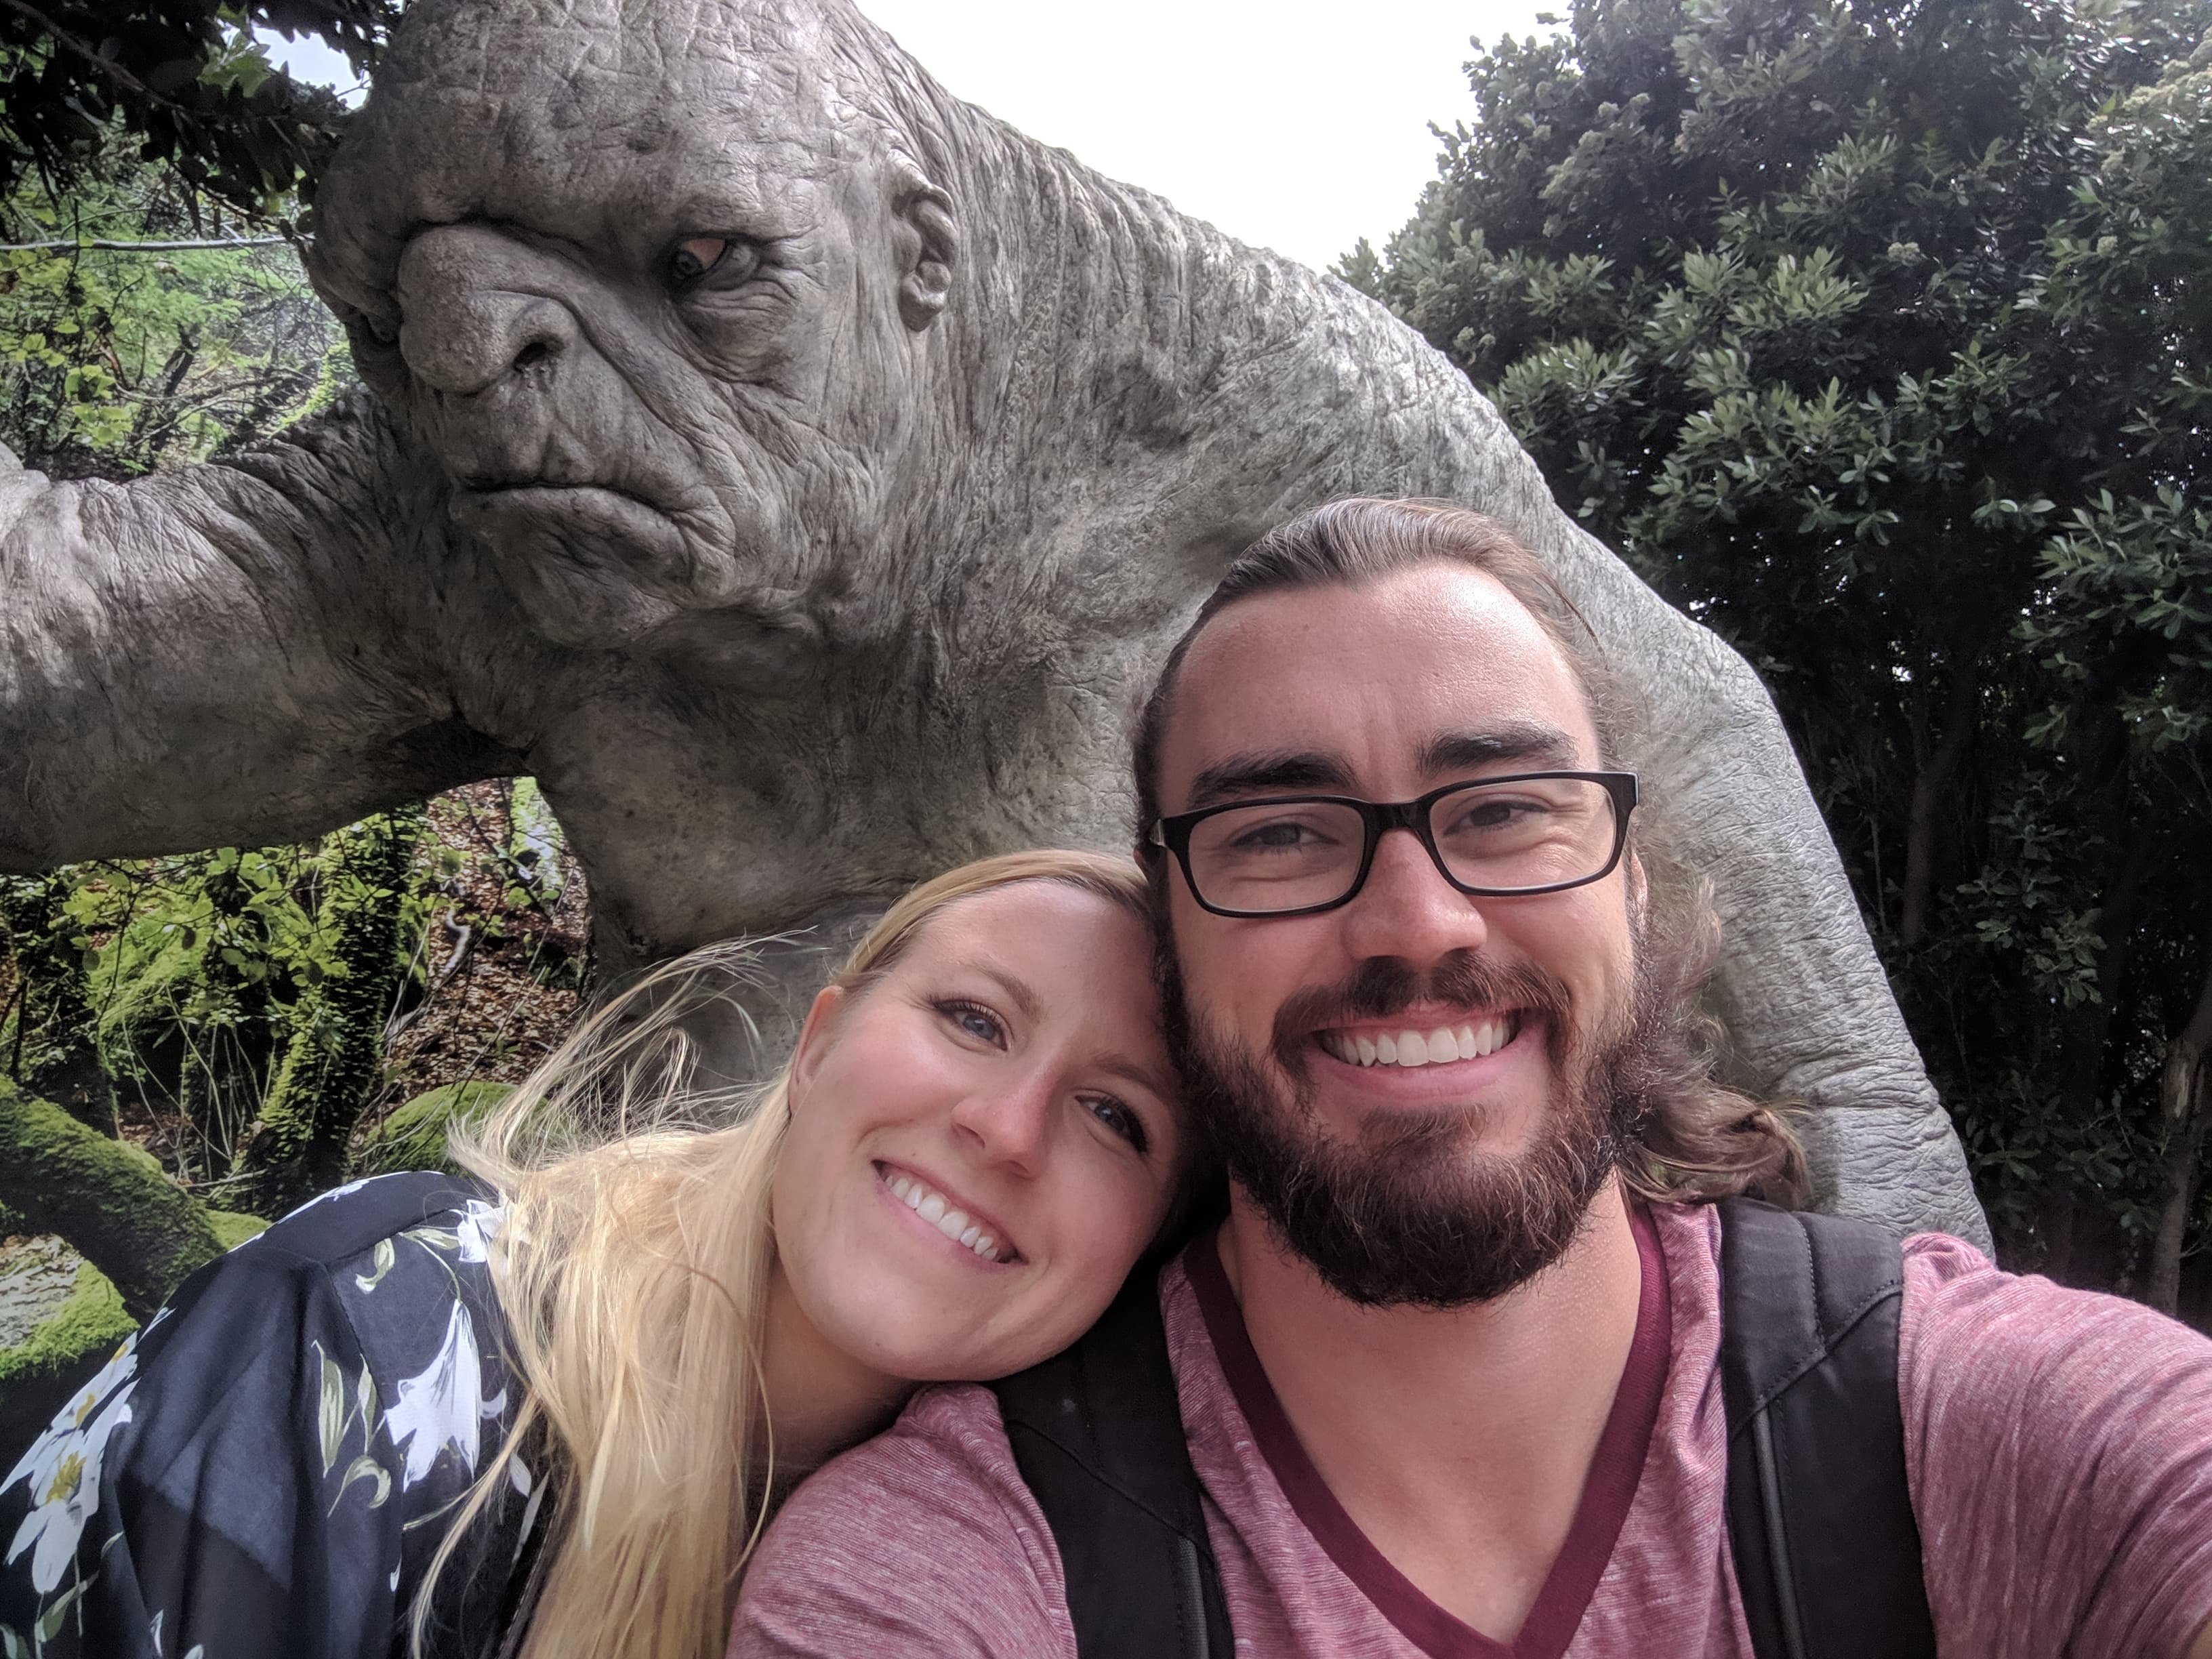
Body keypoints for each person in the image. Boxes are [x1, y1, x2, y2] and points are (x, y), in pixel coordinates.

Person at [731, 498, 2212, 1658]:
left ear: (1630, 881)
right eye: (1282, 835)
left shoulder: (1983, 1427)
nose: (1417, 923)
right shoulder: (960, 1561)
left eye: (1505, 810)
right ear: (1169, 947)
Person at [0, 848, 1196, 1659]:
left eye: (1116, 1117)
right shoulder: (372, 1344)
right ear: (819, 1045)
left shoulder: (1047, 1562)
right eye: (973, 1020)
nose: (1008, 1126)